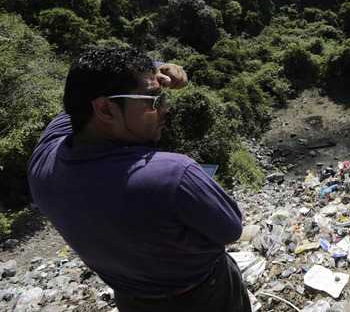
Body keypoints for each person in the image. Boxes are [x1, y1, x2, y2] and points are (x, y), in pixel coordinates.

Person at [27, 47, 251, 312]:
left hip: (131, 300)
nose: (164, 107)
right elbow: (231, 229)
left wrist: (158, 67)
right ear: (106, 110)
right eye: (153, 100)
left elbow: (81, 95)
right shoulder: (173, 175)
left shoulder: (44, 160)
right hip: (204, 296)